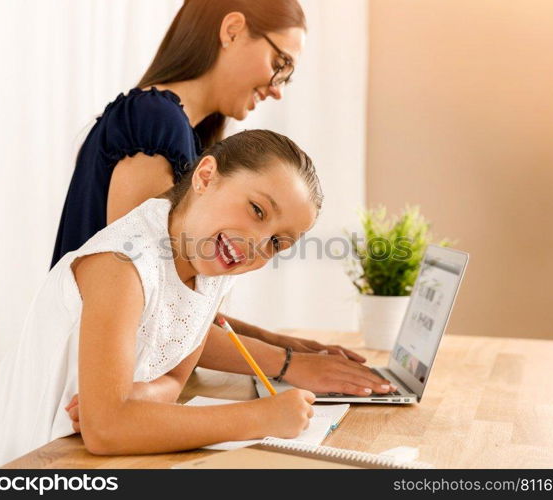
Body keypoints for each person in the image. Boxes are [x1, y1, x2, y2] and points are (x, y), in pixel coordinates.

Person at [49, 0, 396, 399]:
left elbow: (178, 310)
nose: (277, 90)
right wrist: (289, 364)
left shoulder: (179, 132)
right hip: (83, 391)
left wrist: (288, 347)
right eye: (280, 63)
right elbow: (150, 310)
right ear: (232, 30)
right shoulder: (155, 122)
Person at [0, 130, 330, 468]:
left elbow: (175, 379)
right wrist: (259, 417)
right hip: (12, 466)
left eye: (278, 243)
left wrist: (138, 399)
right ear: (206, 176)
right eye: (257, 210)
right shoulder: (124, 263)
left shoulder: (211, 270)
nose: (257, 245)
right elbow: (106, 430)